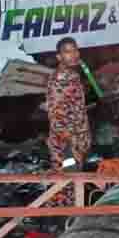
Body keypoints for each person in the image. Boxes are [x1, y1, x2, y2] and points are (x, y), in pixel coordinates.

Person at [43, 37, 91, 212]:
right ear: (59, 57)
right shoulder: (59, 79)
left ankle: (66, 218)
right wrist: (69, 148)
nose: (73, 55)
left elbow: (76, 108)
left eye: (75, 50)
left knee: (71, 184)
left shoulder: (74, 76)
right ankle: (56, 219)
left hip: (77, 141)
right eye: (68, 51)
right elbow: (56, 114)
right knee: (66, 183)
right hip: (66, 143)